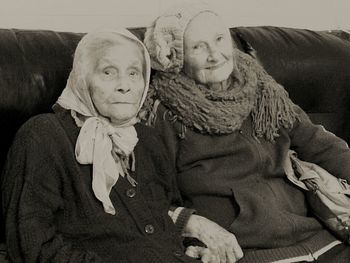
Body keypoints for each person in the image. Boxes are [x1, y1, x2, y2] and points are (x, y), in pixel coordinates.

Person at [141, 2, 350, 263]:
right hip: (248, 253)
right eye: (198, 47)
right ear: (176, 58)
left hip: (323, 238)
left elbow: (322, 146)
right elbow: (146, 196)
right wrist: (191, 224)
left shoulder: (264, 91)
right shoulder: (163, 113)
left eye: (219, 39)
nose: (215, 54)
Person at [1, 28, 229, 263]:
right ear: (83, 77)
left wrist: (194, 246)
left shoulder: (147, 139)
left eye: (133, 73)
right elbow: (30, 245)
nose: (124, 86)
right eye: (108, 72)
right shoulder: (43, 135)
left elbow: (164, 213)